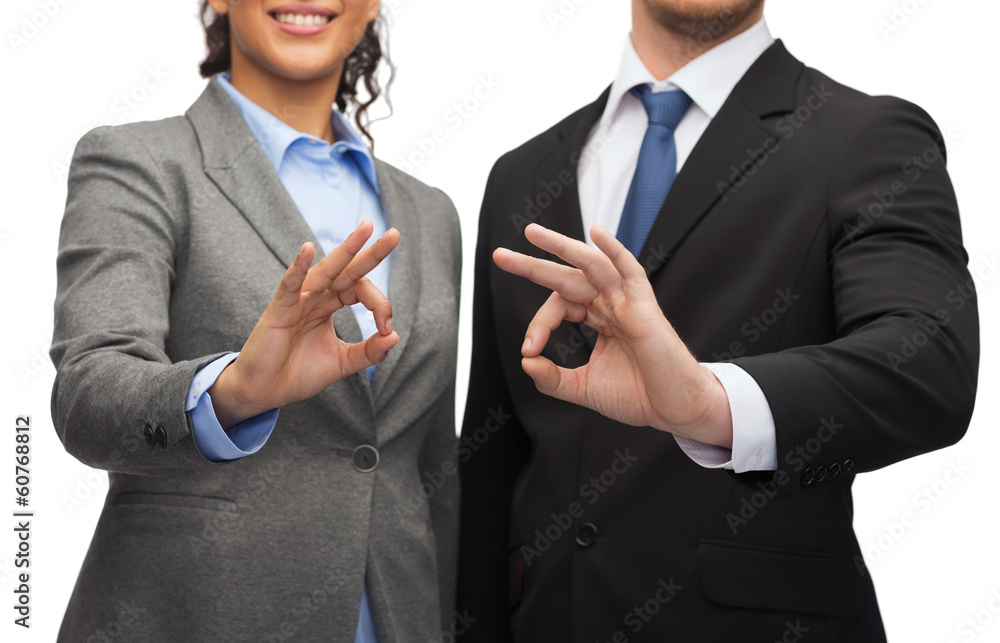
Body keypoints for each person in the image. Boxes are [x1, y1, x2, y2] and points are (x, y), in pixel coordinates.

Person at [456, 1, 979, 641]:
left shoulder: (867, 136)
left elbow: (928, 362)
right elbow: (490, 457)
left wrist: (709, 403)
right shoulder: (519, 175)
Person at [50, 1, 461, 640]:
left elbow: (432, 470)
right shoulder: (138, 162)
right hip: (195, 616)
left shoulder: (432, 213)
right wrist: (233, 391)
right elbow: (87, 399)